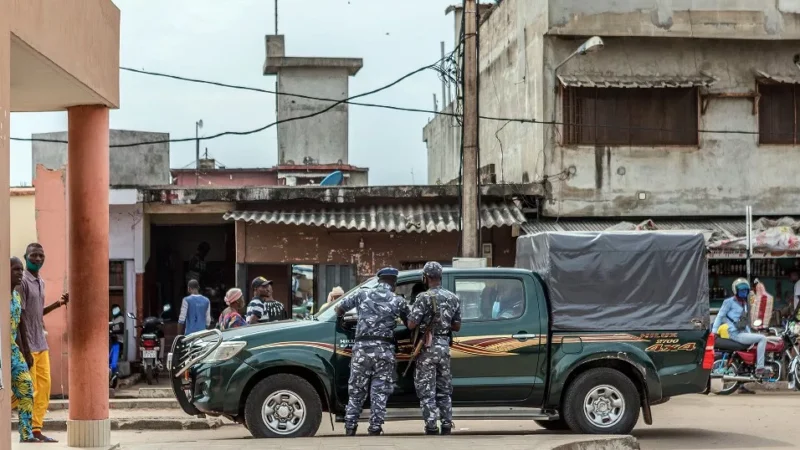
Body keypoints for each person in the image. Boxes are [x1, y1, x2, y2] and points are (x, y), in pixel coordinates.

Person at [335, 267, 409, 436]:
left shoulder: (362, 294)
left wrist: (349, 322)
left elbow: (339, 310)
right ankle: (375, 427)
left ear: (378, 279)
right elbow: (410, 323)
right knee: (380, 390)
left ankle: (350, 426)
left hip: (362, 349)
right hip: (384, 350)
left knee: (356, 390)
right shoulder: (398, 301)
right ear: (395, 282)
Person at [17, 242, 67, 443]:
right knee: (29, 390)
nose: (37, 259)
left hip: (41, 343)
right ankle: (26, 431)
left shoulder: (41, 282)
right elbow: (20, 315)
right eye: (33, 256)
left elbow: (36, 313)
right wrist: (25, 350)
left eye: (40, 256)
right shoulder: (22, 282)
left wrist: (58, 304)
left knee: (44, 388)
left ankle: (36, 429)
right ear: (25, 256)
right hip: (27, 346)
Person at [408, 261, 461, 435]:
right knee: (444, 389)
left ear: (426, 277)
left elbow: (411, 324)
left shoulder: (423, 298)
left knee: (427, 389)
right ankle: (446, 425)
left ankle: (431, 426)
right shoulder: (453, 297)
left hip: (427, 348)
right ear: (440, 276)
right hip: (444, 347)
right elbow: (457, 326)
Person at [712, 278, 771, 378]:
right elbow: (719, 316)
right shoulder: (728, 302)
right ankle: (760, 368)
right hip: (735, 334)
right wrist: (714, 331)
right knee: (762, 338)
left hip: (743, 332)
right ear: (736, 290)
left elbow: (745, 322)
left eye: (745, 290)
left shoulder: (744, 303)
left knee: (761, 338)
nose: (744, 292)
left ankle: (752, 366)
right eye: (741, 290)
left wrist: (752, 333)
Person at [10, 257, 39, 443]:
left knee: (27, 387)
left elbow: (20, 325)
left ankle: (26, 433)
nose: (20, 273)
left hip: (13, 351)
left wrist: (26, 351)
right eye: (15, 270)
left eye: (21, 269)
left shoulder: (16, 296)